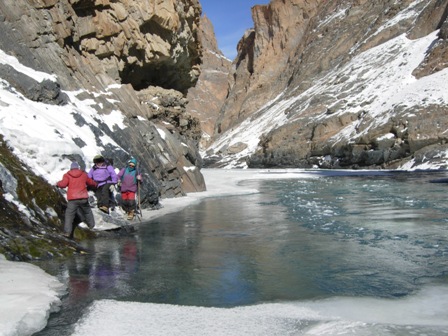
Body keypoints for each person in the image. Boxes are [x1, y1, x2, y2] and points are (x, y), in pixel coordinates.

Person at [56, 161, 97, 238]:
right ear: (78, 168)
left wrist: (58, 183)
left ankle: (67, 232)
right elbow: (90, 182)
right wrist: (95, 184)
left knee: (69, 215)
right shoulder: (83, 174)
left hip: (73, 199)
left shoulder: (67, 175)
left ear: (71, 168)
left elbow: (63, 184)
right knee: (87, 211)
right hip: (83, 197)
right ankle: (91, 226)